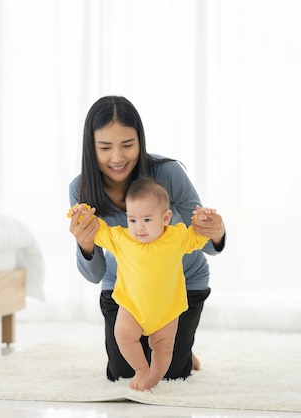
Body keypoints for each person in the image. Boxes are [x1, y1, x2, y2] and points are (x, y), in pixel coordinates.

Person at [68, 95, 226, 384]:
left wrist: (215, 230)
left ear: (140, 141)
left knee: (169, 374)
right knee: (124, 373)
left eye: (127, 145)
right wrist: (86, 245)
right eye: (105, 147)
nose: (117, 158)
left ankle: (183, 349)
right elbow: (95, 275)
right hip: (126, 294)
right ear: (91, 148)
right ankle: (173, 347)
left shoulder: (167, 173)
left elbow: (205, 242)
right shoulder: (82, 189)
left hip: (179, 289)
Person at [68, 177, 214, 390]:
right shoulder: (121, 238)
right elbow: (98, 229)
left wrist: (204, 221)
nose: (139, 227)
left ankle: (154, 378)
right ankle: (142, 370)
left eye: (146, 220)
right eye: (132, 220)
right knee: (123, 336)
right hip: (132, 307)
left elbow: (198, 238)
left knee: (163, 349)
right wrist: (81, 214)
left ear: (165, 218)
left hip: (167, 310)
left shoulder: (176, 236)